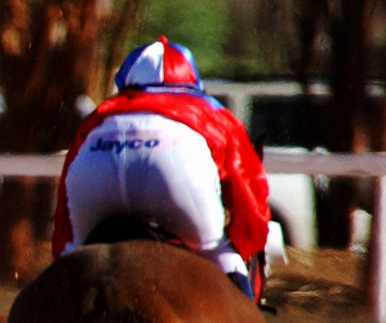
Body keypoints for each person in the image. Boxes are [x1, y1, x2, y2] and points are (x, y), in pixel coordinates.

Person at [51, 37, 271, 301]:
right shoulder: (213, 111)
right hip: (175, 176)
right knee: (220, 254)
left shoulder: (101, 113)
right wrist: (243, 245)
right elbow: (250, 191)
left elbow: (65, 197)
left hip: (96, 163)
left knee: (73, 258)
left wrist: (65, 249)